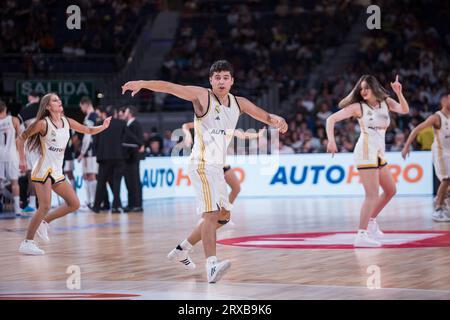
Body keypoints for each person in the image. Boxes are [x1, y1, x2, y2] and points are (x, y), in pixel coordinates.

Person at [122, 60, 287, 283]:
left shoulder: (239, 103)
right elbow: (170, 87)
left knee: (223, 217)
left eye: (225, 77)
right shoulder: (202, 96)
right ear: (211, 80)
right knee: (210, 215)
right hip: (201, 163)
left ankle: (183, 249)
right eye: (217, 77)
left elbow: (263, 116)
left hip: (217, 167)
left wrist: (277, 120)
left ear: (232, 81)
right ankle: (211, 266)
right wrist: (143, 83)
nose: (221, 81)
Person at [17, 93, 111, 255]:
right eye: (55, 100)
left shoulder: (66, 121)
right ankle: (27, 242)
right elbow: (21, 138)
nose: (59, 101)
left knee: (74, 203)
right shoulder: (42, 124)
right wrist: (22, 159)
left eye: (59, 99)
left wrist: (102, 127)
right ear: (47, 107)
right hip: (42, 169)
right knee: (45, 205)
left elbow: (87, 129)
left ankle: (45, 222)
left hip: (57, 171)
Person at [326, 75, 409, 247]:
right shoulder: (358, 107)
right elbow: (330, 119)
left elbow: (404, 110)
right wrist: (331, 141)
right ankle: (361, 235)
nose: (363, 91)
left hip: (378, 153)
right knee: (371, 195)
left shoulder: (386, 102)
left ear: (374, 88)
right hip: (365, 152)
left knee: (390, 190)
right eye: (361, 88)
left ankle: (371, 222)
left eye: (366, 88)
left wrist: (399, 93)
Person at [402, 93, 450, 221]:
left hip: (449, 152)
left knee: (447, 184)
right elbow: (416, 129)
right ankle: (438, 208)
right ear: (444, 101)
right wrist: (406, 146)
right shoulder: (436, 117)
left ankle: (442, 199)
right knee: (446, 180)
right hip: (441, 153)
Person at [90, 106, 127, 214]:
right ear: (115, 113)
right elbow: (126, 139)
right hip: (119, 157)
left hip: (104, 157)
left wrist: (97, 154)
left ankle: (96, 206)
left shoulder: (100, 124)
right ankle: (116, 207)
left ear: (105, 114)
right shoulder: (122, 124)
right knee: (117, 183)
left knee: (101, 182)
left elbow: (95, 142)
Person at [17, 90, 40, 214]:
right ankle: (45, 203)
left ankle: (32, 203)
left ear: (30, 97)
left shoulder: (26, 110)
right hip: (45, 145)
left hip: (31, 145)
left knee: (32, 174)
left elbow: (19, 129)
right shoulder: (45, 109)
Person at [0, 101, 22, 214]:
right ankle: (17, 208)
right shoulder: (14, 120)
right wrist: (21, 156)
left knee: (1, 185)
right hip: (12, 155)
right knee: (14, 183)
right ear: (5, 109)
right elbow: (20, 139)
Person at [122, 106, 144, 212]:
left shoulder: (135, 124)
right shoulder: (129, 124)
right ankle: (131, 204)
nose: (124, 113)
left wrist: (141, 144)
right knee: (129, 181)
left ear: (129, 112)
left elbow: (138, 141)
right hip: (129, 157)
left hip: (133, 157)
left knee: (134, 181)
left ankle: (137, 204)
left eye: (125, 111)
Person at [78, 97, 99, 210]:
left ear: (85, 104)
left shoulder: (91, 116)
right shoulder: (92, 116)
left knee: (91, 175)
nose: (81, 108)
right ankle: (90, 201)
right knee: (87, 176)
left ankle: (92, 202)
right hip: (90, 150)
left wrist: (82, 152)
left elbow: (88, 135)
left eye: (81, 106)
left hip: (90, 150)